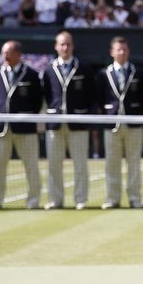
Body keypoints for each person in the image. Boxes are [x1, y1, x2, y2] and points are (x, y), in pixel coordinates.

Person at [0, 41, 44, 209]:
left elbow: (37, 102)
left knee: (31, 166)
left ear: (18, 54)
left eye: (9, 52)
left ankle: (33, 201)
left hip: (25, 129)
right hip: (1, 129)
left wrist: (24, 118)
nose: (5, 56)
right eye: (3, 52)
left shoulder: (31, 75)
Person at [43, 31, 97, 210]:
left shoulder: (84, 68)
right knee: (53, 165)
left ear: (72, 46)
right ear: (56, 46)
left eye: (68, 44)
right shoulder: (49, 69)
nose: (65, 48)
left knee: (80, 164)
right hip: (55, 124)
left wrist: (85, 116)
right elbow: (47, 95)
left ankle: (80, 199)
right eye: (61, 44)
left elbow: (91, 96)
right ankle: (55, 200)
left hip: (78, 123)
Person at [96, 36, 143, 209]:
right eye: (118, 49)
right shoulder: (104, 74)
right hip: (112, 125)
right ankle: (113, 199)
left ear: (128, 52)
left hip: (133, 124)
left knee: (134, 163)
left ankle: (135, 199)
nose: (121, 52)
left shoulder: (138, 73)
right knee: (112, 163)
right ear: (111, 52)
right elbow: (100, 98)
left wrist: (135, 112)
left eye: (124, 49)